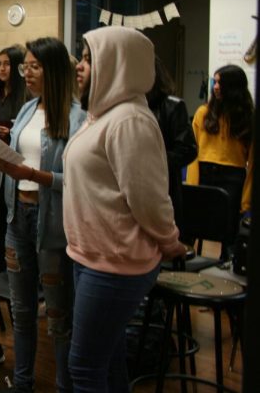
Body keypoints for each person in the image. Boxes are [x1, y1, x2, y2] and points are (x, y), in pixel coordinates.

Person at [64, 26, 185, 393]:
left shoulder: (129, 120)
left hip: (115, 264)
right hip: (91, 257)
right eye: (82, 58)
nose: (81, 67)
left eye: (89, 59)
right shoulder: (101, 115)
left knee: (83, 367)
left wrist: (171, 241)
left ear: (117, 63)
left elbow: (148, 199)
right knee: (110, 361)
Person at [0, 37, 85, 393]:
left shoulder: (79, 118)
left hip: (52, 224)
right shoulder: (26, 109)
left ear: (53, 70)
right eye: (26, 67)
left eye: (34, 66)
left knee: (57, 317)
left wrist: (37, 176)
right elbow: (15, 164)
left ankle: (65, 386)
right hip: (17, 219)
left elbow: (82, 180)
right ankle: (22, 383)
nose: (27, 73)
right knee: (21, 311)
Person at [186, 64, 253, 254]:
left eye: (219, 83)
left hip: (232, 177)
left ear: (233, 87)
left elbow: (253, 163)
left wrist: (246, 202)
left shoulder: (248, 117)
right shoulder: (203, 113)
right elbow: (193, 153)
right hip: (205, 172)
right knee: (198, 225)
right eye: (214, 82)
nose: (215, 87)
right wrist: (192, 184)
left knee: (227, 229)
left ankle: (227, 264)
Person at [0, 45, 27, 275]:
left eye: (7, 63)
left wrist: (9, 133)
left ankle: (5, 274)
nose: (2, 68)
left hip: (13, 165)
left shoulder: (25, 96)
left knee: (5, 225)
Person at [147, 57, 197, 228]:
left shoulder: (172, 106)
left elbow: (188, 150)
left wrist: (152, 161)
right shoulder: (127, 105)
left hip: (163, 190)